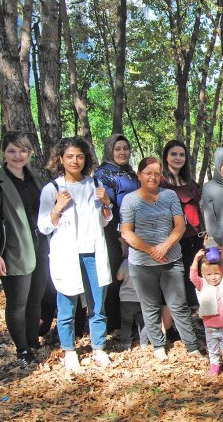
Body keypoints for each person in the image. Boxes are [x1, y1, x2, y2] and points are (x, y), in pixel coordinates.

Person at [37, 136, 114, 371]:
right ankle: (70, 350)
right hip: (67, 255)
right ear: (60, 159)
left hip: (93, 253)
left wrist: (107, 203)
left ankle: (98, 347)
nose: (75, 161)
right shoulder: (52, 189)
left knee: (98, 304)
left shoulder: (94, 184)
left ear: (86, 159)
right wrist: (57, 208)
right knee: (67, 304)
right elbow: (43, 226)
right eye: (69, 156)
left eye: (79, 156)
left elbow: (104, 221)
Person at [120, 157, 202, 361]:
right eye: (148, 172)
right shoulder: (130, 200)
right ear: (139, 175)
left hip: (171, 259)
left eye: (157, 173)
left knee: (178, 305)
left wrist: (165, 245)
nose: (152, 177)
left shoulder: (170, 196)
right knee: (150, 305)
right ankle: (158, 345)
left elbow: (180, 225)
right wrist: (150, 250)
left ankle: (191, 346)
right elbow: (126, 232)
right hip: (142, 263)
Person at [0, 132, 48, 366]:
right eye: (12, 151)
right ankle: (22, 349)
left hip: (40, 247)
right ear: (4, 153)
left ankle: (32, 340)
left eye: (22, 151)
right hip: (13, 250)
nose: (18, 156)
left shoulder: (36, 179)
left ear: (29, 152)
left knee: (35, 300)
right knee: (17, 303)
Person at [94, 134, 140, 331]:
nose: (122, 152)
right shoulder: (104, 174)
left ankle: (132, 321)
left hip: (135, 231)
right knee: (114, 276)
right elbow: (108, 207)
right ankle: (113, 323)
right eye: (118, 149)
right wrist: (121, 236)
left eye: (125, 148)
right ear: (110, 150)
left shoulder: (129, 172)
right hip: (115, 234)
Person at [161, 140, 205, 309]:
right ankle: (170, 324)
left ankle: (189, 321)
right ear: (166, 157)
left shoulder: (190, 183)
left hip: (194, 238)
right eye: (173, 154)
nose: (178, 158)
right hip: (173, 239)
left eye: (181, 155)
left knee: (192, 277)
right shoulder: (161, 183)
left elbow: (198, 211)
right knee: (173, 281)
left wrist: (203, 233)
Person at [190, 249, 223, 377]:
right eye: (209, 274)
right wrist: (196, 259)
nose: (213, 277)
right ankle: (215, 365)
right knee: (213, 348)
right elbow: (193, 276)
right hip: (210, 324)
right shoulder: (202, 284)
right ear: (203, 275)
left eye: (216, 273)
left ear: (221, 272)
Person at [116, 255, 149, 351]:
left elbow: (119, 277)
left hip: (126, 298)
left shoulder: (126, 262)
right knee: (143, 322)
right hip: (141, 297)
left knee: (126, 323)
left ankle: (126, 345)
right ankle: (144, 344)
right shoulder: (145, 261)